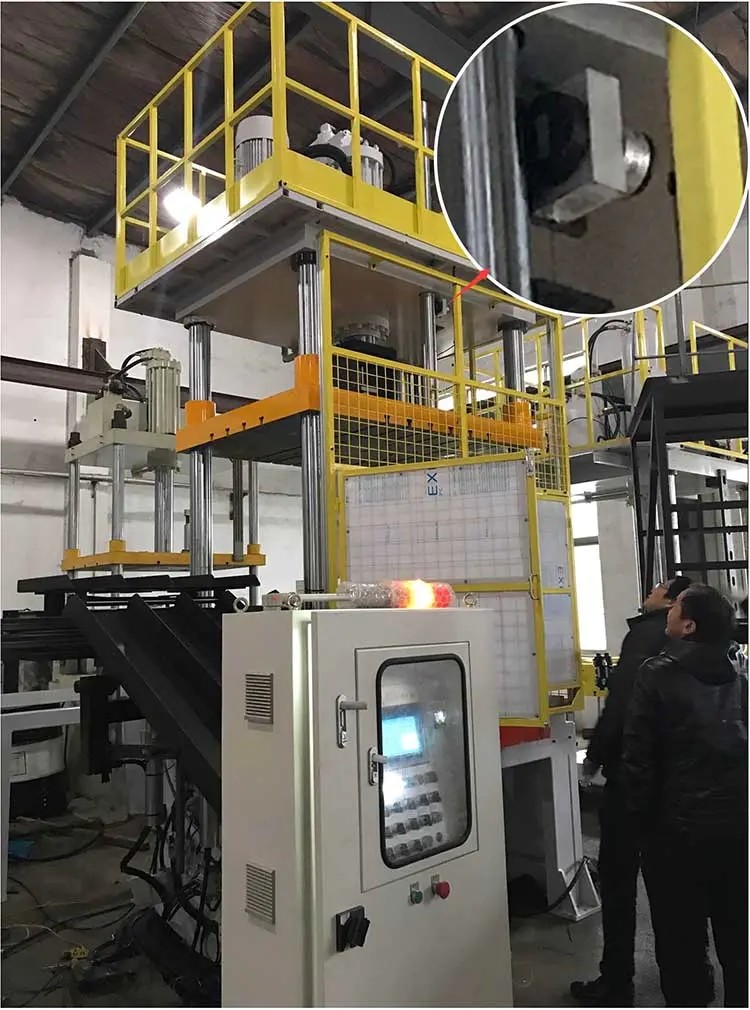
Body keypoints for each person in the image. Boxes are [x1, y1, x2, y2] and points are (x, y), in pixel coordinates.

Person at [622, 584, 748, 1008]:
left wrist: (639, 826)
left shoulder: (657, 674)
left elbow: (639, 760)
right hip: (737, 831)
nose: (669, 612)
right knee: (739, 939)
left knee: (681, 944)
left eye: (675, 606)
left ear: (688, 625)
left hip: (675, 837)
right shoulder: (741, 678)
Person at [570, 576, 692, 1008]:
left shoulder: (645, 635)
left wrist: (595, 757)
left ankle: (616, 982)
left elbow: (622, 704)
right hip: (678, 786)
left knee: (620, 883)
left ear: (674, 605)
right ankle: (684, 986)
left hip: (631, 780)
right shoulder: (710, 651)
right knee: (673, 890)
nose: (651, 591)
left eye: (659, 587)